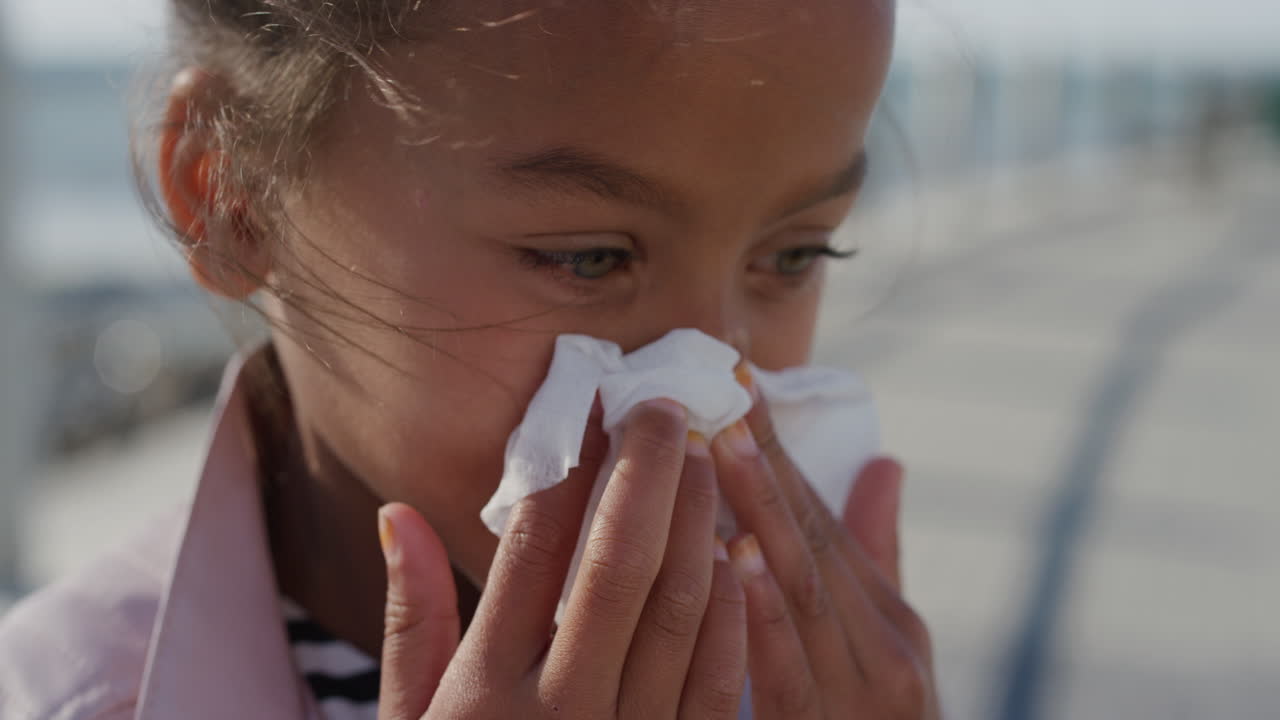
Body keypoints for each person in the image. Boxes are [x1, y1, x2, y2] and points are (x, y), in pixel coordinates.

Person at [0, 1, 940, 718]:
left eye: (795, 258)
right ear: (234, 195)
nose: (710, 384)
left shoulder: (814, 685)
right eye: (588, 258)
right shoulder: (73, 695)